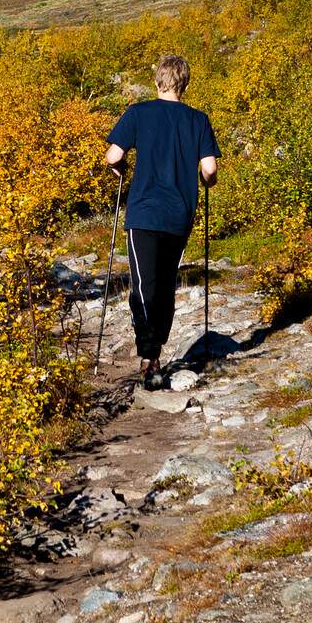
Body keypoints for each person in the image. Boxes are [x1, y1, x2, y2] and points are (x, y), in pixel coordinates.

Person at [104, 54, 220, 390]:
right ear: (185, 84)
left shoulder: (138, 113)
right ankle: (155, 353)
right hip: (178, 214)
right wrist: (205, 181)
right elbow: (209, 169)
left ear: (157, 81)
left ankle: (148, 356)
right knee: (166, 283)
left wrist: (116, 166)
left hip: (143, 212)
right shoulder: (198, 120)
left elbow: (114, 155)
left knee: (143, 284)